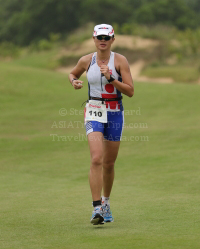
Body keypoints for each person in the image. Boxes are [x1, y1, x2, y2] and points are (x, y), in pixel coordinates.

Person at [69, 24, 134, 225]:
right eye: (99, 37)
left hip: (115, 113)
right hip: (94, 111)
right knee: (96, 157)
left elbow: (130, 91)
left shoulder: (120, 61)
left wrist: (111, 78)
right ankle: (96, 207)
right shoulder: (86, 60)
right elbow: (73, 74)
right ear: (94, 39)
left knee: (108, 163)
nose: (103, 40)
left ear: (113, 39)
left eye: (107, 37)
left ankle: (106, 203)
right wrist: (74, 81)